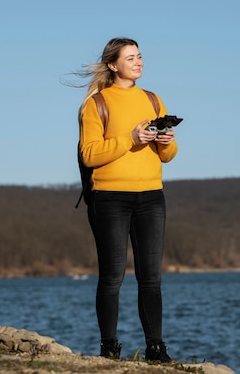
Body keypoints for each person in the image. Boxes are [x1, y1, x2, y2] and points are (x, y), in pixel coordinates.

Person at [76, 37, 178, 363]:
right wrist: (131, 139)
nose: (139, 62)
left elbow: (168, 156)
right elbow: (89, 154)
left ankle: (156, 349)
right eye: (131, 57)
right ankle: (109, 349)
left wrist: (165, 139)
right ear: (113, 65)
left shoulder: (152, 99)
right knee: (112, 277)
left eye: (140, 56)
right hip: (110, 199)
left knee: (151, 278)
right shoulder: (97, 104)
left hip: (151, 196)